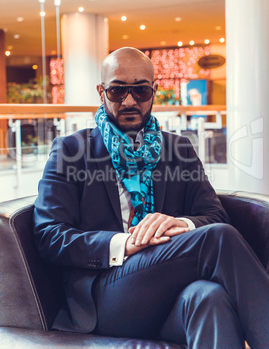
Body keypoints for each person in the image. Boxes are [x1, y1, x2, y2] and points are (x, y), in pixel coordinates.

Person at [33, 47, 269, 348]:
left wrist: (179, 224)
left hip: (169, 298)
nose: (130, 101)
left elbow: (215, 215)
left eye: (141, 90)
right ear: (101, 92)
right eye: (118, 91)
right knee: (218, 239)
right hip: (105, 296)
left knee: (211, 298)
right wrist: (123, 244)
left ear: (154, 91)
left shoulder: (179, 150)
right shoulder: (70, 151)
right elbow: (49, 236)